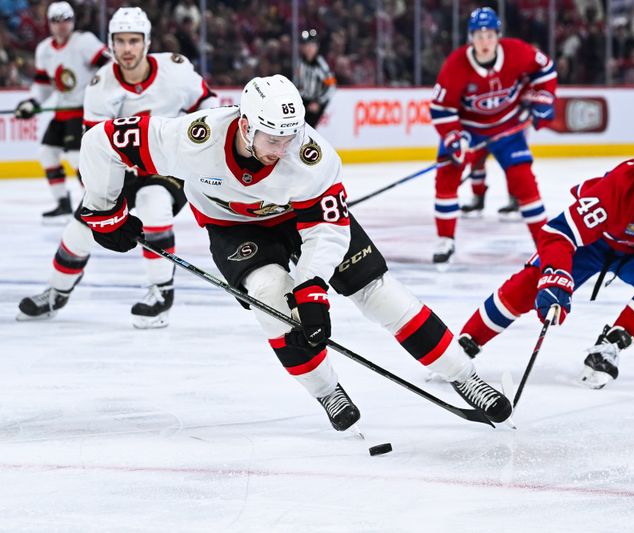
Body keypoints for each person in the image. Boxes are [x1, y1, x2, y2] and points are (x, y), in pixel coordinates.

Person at [74, 74, 512, 430]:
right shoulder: (192, 139)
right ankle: (327, 390)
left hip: (305, 222)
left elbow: (328, 229)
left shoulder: (311, 155)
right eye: (272, 140)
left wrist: (314, 285)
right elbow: (100, 142)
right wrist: (103, 209)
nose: (283, 149)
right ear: (245, 125)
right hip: (233, 226)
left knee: (377, 292)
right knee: (271, 296)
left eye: (290, 137)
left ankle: (465, 376)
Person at [458, 132, 634, 389]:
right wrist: (555, 275)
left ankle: (610, 347)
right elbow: (558, 233)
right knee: (532, 283)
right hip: (596, 242)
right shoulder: (621, 185)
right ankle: (465, 344)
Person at [17, 7, 219, 329]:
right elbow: (93, 149)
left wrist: (202, 146)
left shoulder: (176, 70)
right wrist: (98, 204)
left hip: (167, 168)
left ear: (147, 42)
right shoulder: (99, 86)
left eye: (134, 41)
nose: (127, 49)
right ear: (110, 44)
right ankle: (57, 291)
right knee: (80, 229)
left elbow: (208, 106)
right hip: (120, 171)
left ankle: (161, 292)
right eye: (120, 41)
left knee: (155, 204)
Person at [429, 6, 557, 265]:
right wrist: (454, 138)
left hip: (507, 128)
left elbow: (546, 69)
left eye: (489, 35)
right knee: (446, 175)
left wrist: (544, 97)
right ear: (470, 38)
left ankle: (544, 244)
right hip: (469, 129)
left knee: (524, 182)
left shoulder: (517, 52)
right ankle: (445, 239)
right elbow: (441, 108)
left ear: (498, 35)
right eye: (478, 35)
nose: (484, 42)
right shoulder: (455, 65)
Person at [14, 1, 110, 223]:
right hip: (62, 110)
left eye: (66, 19)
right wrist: (32, 102)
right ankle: (63, 204)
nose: (62, 25)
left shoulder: (84, 42)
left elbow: (109, 67)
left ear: (72, 21)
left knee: (77, 159)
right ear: (49, 23)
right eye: (57, 21)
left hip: (83, 111)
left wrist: (99, 91)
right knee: (47, 153)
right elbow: (43, 86)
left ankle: (98, 205)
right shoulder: (44, 50)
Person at [294, 29, 336, 128]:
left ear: (317, 47)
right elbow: (297, 82)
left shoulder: (321, 65)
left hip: (315, 104)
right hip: (303, 102)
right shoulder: (301, 62)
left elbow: (331, 86)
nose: (309, 48)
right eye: (306, 45)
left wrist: (318, 102)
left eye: (312, 45)